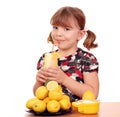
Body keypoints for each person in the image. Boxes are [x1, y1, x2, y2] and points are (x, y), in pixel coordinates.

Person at [33, 6, 99, 102]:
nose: (58, 34)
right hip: (53, 111)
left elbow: (93, 94)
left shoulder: (87, 59)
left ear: (80, 34)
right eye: (55, 27)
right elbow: (37, 94)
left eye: (67, 29)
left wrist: (64, 80)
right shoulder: (45, 58)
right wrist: (39, 82)